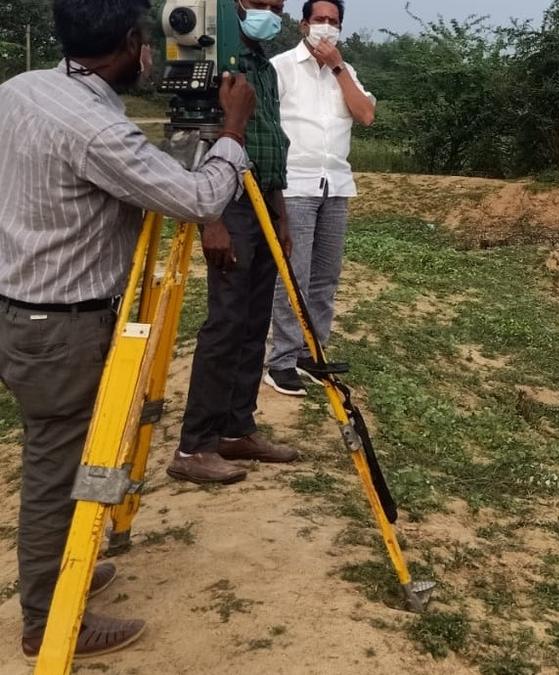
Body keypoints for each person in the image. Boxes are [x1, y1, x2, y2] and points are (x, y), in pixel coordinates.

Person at [0, 0, 256, 658]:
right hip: (63, 327)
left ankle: (68, 563)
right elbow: (198, 198)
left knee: (59, 451)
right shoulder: (96, 131)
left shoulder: (23, 88)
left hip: (20, 308)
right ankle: (49, 618)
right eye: (148, 44)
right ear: (131, 43)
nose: (154, 54)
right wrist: (231, 127)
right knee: (58, 467)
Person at [169, 0, 301, 485]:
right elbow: (206, 140)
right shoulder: (220, 62)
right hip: (229, 203)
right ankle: (195, 445)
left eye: (275, 5)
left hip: (264, 198)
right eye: (257, 2)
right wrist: (212, 219)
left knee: (253, 319)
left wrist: (282, 215)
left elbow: (269, 141)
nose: (268, 11)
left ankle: (236, 429)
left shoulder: (262, 66)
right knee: (226, 322)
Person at [264, 0, 375, 396]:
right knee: (294, 274)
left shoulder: (345, 72)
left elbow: (365, 115)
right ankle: (281, 359)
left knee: (325, 276)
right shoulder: (280, 68)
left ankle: (313, 351)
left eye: (334, 22)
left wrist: (339, 67)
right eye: (320, 20)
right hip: (295, 183)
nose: (326, 27)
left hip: (336, 184)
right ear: (303, 24)